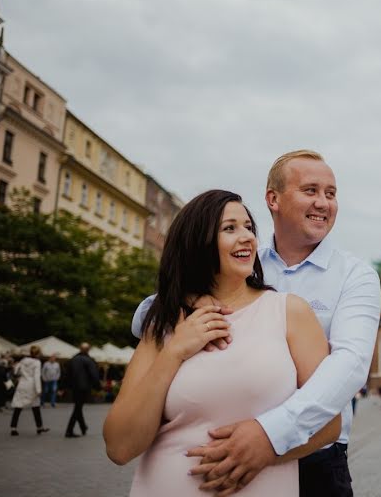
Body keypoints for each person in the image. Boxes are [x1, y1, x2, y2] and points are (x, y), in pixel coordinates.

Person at [130, 151, 381, 496]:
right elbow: (147, 317)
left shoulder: (356, 275)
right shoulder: (241, 259)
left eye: (331, 193)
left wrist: (271, 433)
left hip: (316, 457)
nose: (323, 202)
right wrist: (192, 300)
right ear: (272, 199)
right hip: (222, 446)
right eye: (311, 190)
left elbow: (350, 366)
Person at [105, 190, 340, 496]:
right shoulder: (165, 319)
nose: (247, 237)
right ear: (197, 242)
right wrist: (174, 351)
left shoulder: (289, 312)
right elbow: (119, 447)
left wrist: (268, 446)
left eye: (248, 227)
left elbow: (329, 423)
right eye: (230, 228)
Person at [9, 346, 49, 436]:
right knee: (35, 407)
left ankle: (13, 428)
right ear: (38, 354)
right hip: (32, 386)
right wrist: (39, 389)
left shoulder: (23, 360)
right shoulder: (37, 362)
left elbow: (15, 371)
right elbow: (36, 376)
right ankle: (39, 427)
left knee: (18, 406)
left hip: (22, 384)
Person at [66, 343, 100, 437]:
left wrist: (66, 386)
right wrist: (98, 387)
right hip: (84, 387)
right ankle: (69, 430)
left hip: (74, 387)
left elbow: (67, 374)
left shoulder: (73, 359)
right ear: (88, 350)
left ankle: (83, 427)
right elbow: (94, 375)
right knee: (78, 408)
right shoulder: (89, 360)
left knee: (78, 406)